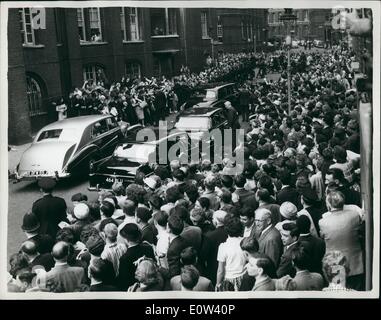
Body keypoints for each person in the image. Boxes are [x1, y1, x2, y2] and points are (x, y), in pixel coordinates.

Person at [319, 191, 364, 290]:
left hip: (334, 265)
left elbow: (323, 237)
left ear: (329, 204)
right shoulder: (355, 216)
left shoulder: (323, 222)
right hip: (355, 263)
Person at [216, 215, 247, 291]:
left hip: (229, 280)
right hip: (245, 277)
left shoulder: (223, 246)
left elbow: (221, 270)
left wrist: (218, 284)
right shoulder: (245, 242)